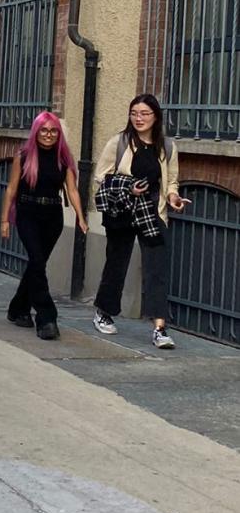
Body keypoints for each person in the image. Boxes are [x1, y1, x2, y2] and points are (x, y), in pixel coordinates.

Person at [92, 94, 186, 349]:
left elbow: (172, 181)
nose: (138, 118)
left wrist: (173, 197)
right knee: (117, 263)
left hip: (152, 212)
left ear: (156, 116)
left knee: (157, 270)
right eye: (134, 113)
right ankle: (104, 311)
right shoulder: (119, 142)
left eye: (144, 113)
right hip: (122, 210)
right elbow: (101, 176)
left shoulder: (167, 147)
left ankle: (159, 328)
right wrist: (127, 187)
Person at [0, 111, 88, 340]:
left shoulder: (64, 159)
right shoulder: (24, 155)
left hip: (52, 216)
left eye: (53, 131)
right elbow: (11, 189)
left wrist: (80, 217)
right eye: (44, 130)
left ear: (58, 133)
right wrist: (5, 220)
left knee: (36, 265)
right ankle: (47, 317)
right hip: (27, 213)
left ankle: (17, 309)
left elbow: (73, 190)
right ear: (36, 132)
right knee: (37, 262)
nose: (49, 135)